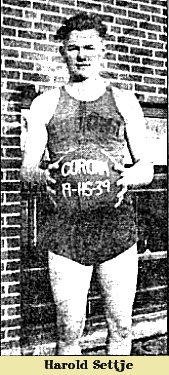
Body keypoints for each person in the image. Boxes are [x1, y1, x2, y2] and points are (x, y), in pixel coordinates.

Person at [21, 12, 154, 355]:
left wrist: (130, 176)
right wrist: (42, 176)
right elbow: (27, 170)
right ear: (63, 52)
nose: (82, 55)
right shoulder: (45, 103)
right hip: (66, 228)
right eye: (73, 48)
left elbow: (147, 167)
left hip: (116, 225)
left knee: (122, 327)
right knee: (68, 331)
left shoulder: (124, 100)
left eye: (89, 47)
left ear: (102, 50)